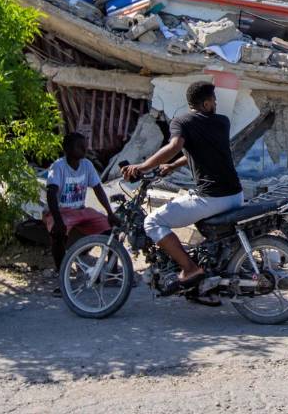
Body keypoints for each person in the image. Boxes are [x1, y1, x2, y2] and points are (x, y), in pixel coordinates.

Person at [122, 82, 244, 295]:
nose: (216, 103)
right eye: (214, 100)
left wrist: (141, 167)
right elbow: (199, 150)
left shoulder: (182, 122)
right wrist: (172, 166)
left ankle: (190, 269)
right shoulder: (222, 122)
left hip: (212, 198)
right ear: (206, 104)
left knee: (153, 222)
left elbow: (175, 146)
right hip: (235, 195)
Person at [45, 132, 118, 295]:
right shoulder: (58, 166)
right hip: (61, 211)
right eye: (80, 146)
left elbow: (98, 189)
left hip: (80, 209)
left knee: (112, 229)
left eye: (85, 145)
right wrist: (58, 220)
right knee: (57, 234)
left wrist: (110, 213)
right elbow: (51, 194)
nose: (85, 149)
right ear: (67, 149)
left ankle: (112, 274)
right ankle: (63, 279)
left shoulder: (87, 165)